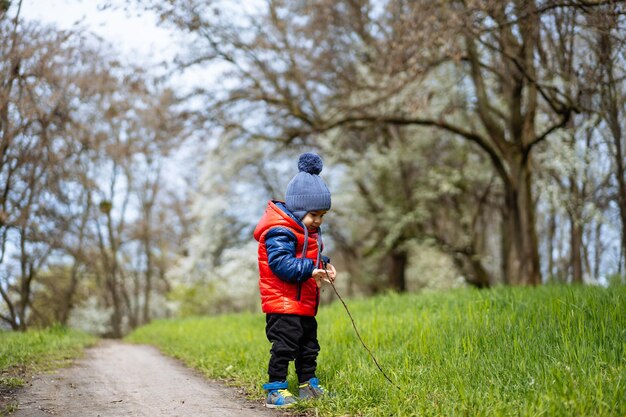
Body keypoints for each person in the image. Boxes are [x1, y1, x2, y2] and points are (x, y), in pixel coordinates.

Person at [253, 152, 338, 408]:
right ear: (299, 209)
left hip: (303, 302)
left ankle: (307, 385)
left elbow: (309, 257)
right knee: (284, 346)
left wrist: (324, 265)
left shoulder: (305, 230)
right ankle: (275, 388)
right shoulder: (279, 231)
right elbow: (281, 264)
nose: (318, 221)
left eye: (322, 215)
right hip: (282, 302)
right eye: (314, 215)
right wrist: (311, 269)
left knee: (309, 346)